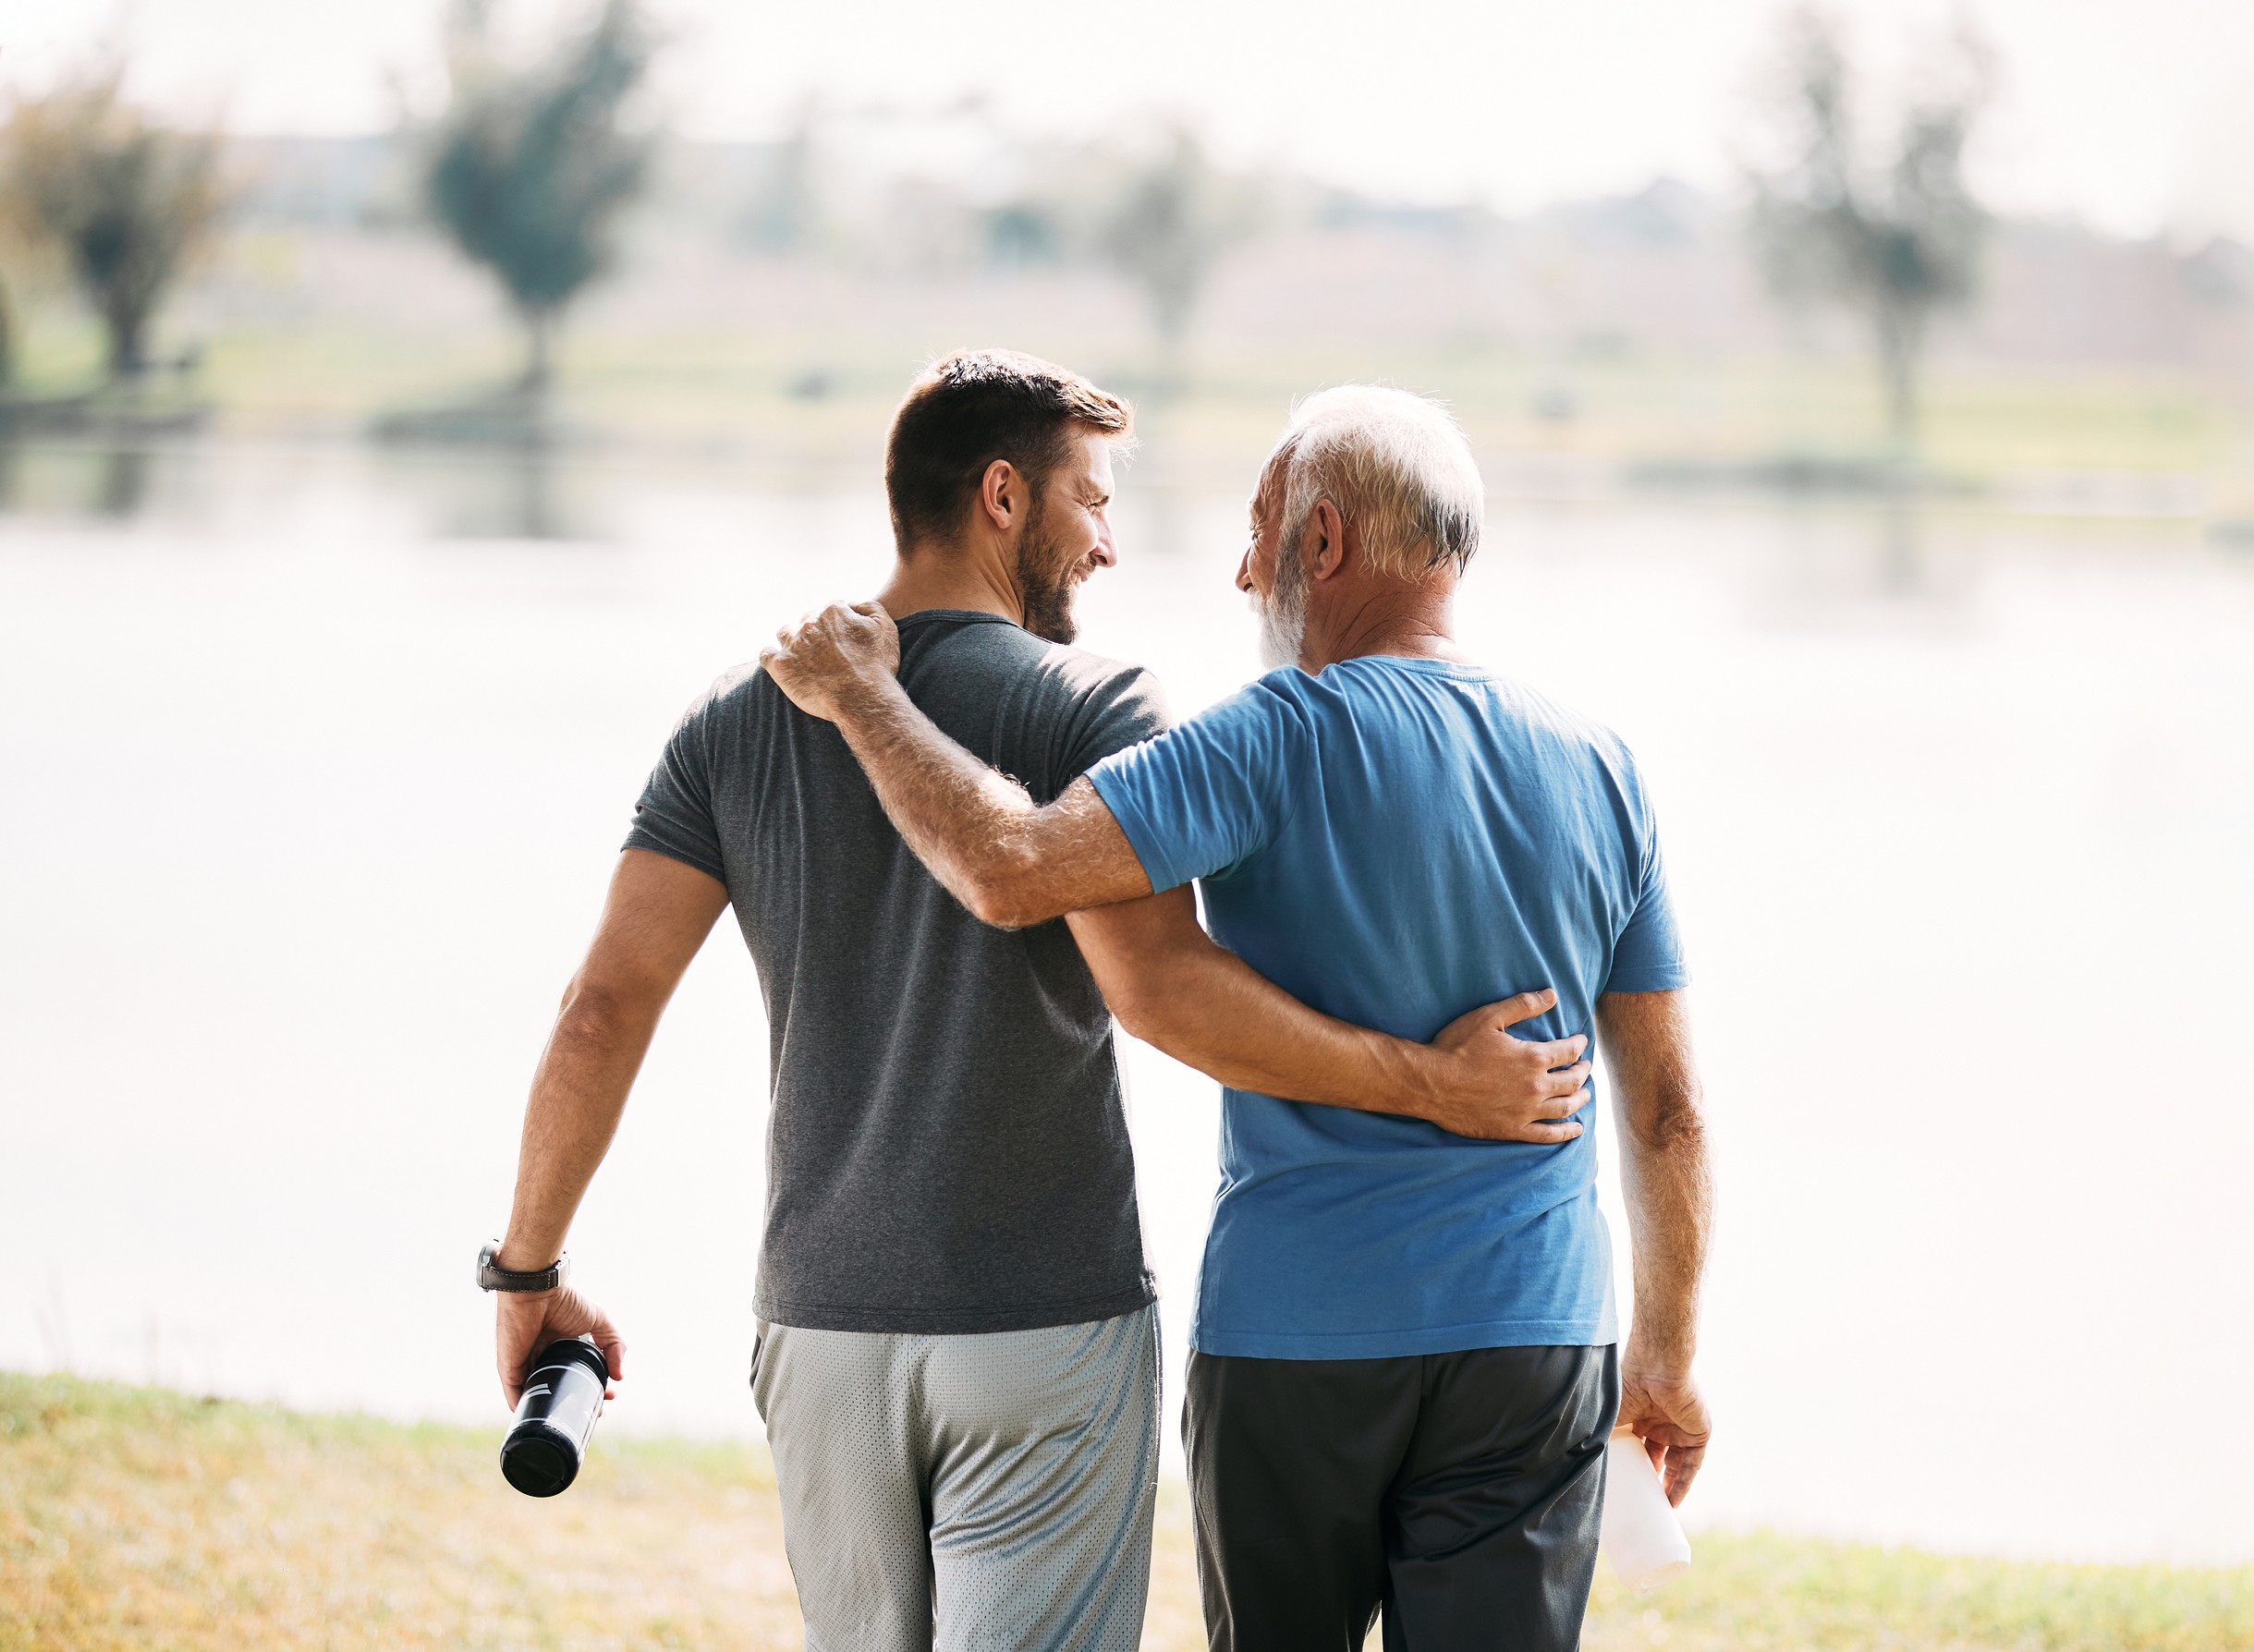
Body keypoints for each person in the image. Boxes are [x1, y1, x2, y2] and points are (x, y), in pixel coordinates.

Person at [477, 353, 1593, 1652]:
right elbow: (1163, 989)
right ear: (1001, 497)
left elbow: (599, 1012)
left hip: (821, 1321)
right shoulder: (1098, 705)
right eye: (1090, 501)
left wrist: (528, 1273)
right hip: (1044, 1325)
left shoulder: (737, 717)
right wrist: (1428, 1083)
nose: (1109, 545)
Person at [761, 384, 1716, 1652]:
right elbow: (1664, 1107)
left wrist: (864, 699)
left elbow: (1009, 870)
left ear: (1324, 542)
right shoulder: (1600, 763)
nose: (1239, 572)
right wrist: (1662, 1356)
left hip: (1298, 1338)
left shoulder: (1265, 739)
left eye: (1260, 531)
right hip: (1534, 1337)